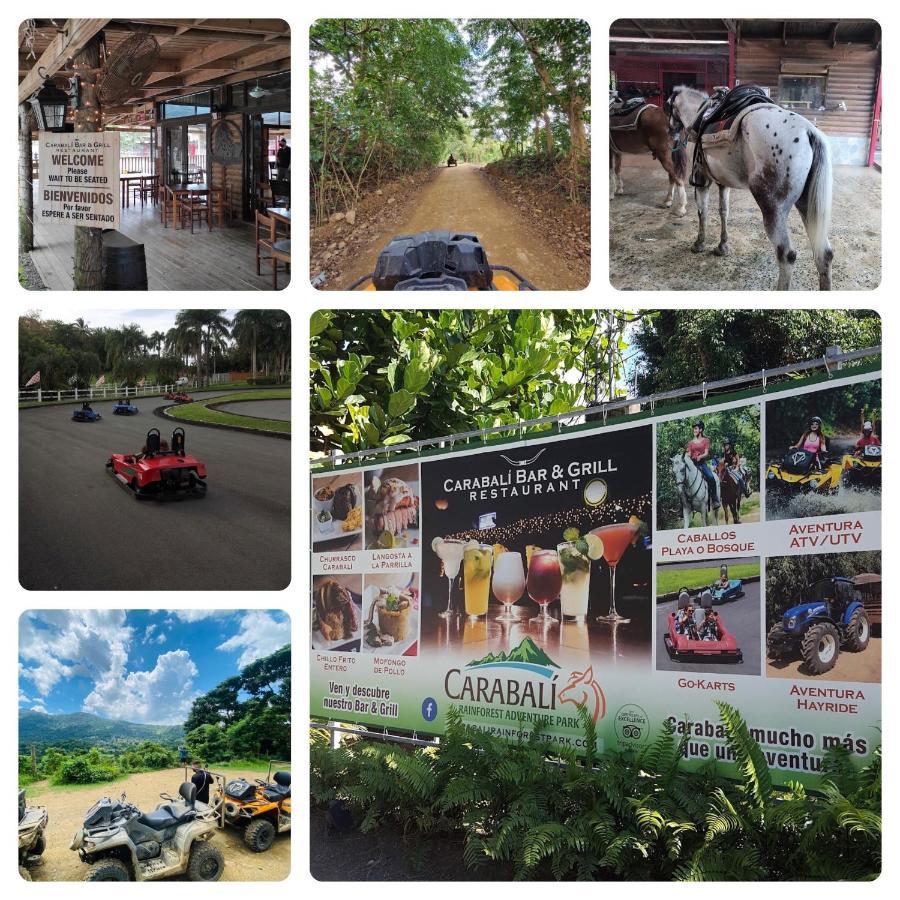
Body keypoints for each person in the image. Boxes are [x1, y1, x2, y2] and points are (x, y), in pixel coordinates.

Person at [686, 420, 720, 506]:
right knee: (682, 480)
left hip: (702, 464)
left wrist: (700, 456)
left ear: (701, 430)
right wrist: (686, 455)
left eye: (696, 428)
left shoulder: (706, 440)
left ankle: (715, 499)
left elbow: (706, 453)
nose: (694, 430)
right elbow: (689, 454)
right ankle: (683, 505)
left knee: (711, 478)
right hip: (692, 465)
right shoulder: (690, 442)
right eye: (693, 429)